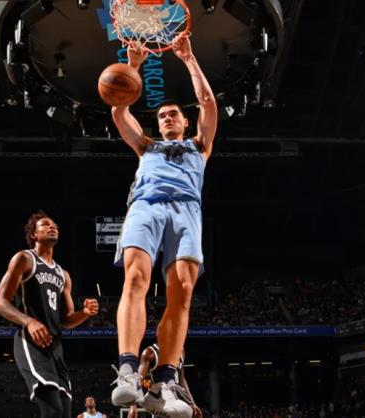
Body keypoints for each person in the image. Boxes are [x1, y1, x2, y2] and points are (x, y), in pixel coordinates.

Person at [109, 33, 217, 418]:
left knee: (182, 293)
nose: (168, 117)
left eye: (173, 114)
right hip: (146, 205)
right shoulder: (146, 146)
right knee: (136, 278)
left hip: (187, 211)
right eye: (162, 115)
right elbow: (119, 112)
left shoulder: (199, 146)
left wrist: (188, 58)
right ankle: (126, 370)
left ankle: (165, 384)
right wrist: (133, 66)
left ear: (185, 122)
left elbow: (208, 103)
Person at [0, 211, 100, 418]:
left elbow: (66, 320)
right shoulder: (25, 259)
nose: (52, 227)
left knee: (64, 412)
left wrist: (85, 313)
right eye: (45, 224)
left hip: (56, 347)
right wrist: (29, 321)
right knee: (52, 409)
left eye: (55, 226)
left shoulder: (63, 275)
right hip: (31, 342)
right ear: (34, 234)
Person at [127, 345, 201, 418]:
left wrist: (192, 402)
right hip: (162, 400)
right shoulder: (151, 353)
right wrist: (133, 405)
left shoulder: (181, 351)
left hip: (176, 397)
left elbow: (181, 379)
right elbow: (139, 382)